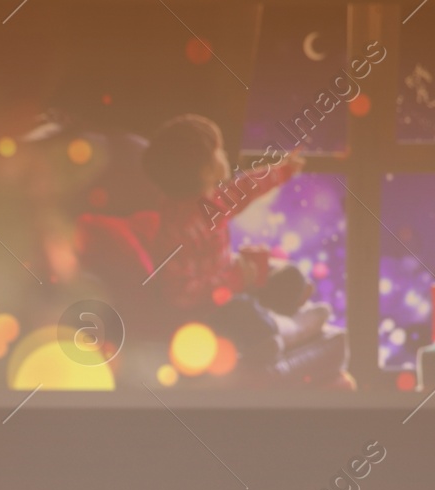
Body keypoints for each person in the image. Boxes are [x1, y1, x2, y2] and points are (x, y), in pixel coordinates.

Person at [141, 113, 330, 361]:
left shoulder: (211, 202)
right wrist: (234, 279)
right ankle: (277, 335)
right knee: (242, 310)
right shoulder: (180, 228)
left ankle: (276, 323)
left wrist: (283, 170)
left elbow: (246, 188)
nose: (225, 154)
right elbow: (181, 294)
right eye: (219, 151)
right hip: (204, 314)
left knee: (287, 275)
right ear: (205, 170)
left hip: (230, 287)